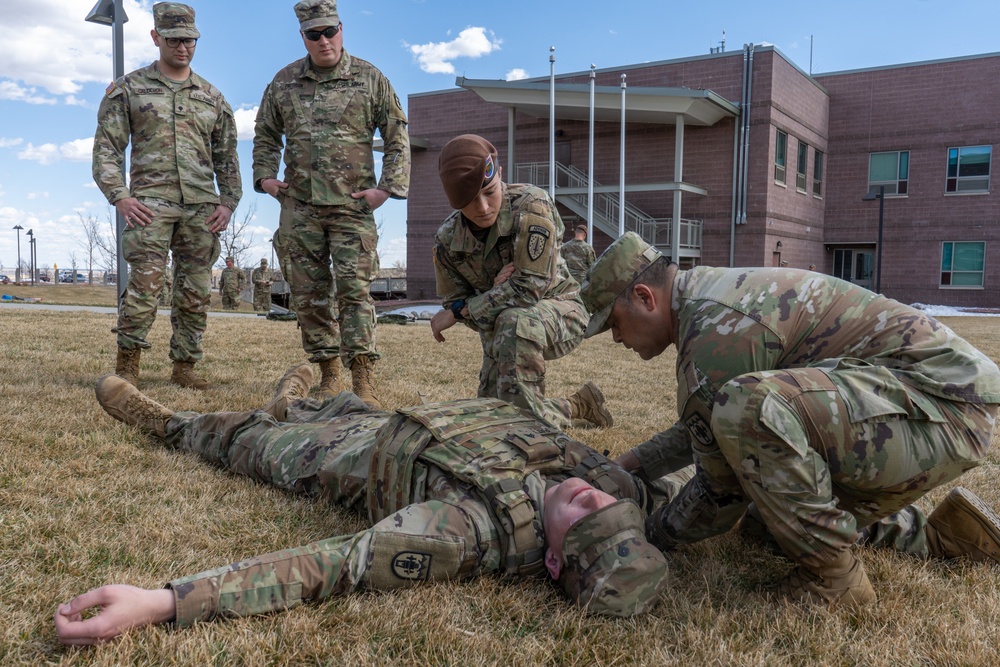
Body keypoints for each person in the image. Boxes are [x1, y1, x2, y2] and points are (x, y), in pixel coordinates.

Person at [54, 367, 682, 645]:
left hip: (354, 458)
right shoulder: (618, 489)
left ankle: (165, 421)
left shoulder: (470, 532)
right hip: (411, 423)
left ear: (550, 561)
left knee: (249, 442)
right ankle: (296, 394)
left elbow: (336, 564)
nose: (593, 496)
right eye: (610, 507)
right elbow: (685, 482)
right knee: (346, 402)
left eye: (585, 518)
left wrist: (163, 601)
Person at [581, 232, 1000, 607]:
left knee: (747, 409)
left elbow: (719, 496)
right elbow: (704, 421)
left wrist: (650, 533)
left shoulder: (715, 331)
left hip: (943, 406)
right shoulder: (706, 300)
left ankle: (834, 579)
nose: (617, 338)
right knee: (773, 517)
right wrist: (629, 465)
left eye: (614, 324)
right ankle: (947, 537)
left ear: (644, 297)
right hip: (929, 403)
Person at [252, 0, 409, 409]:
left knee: (355, 293)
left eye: (330, 31)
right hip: (299, 207)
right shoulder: (283, 82)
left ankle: (363, 379)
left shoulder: (370, 79)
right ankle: (328, 372)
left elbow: (397, 138)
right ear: (303, 36)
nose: (324, 41)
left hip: (352, 207)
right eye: (314, 34)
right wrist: (265, 178)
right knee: (308, 294)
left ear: (341, 28)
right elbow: (265, 134)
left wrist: (386, 189)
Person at [92, 2, 241, 391]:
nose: (183, 48)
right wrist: (120, 196)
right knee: (145, 287)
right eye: (174, 39)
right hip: (149, 206)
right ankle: (128, 366)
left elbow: (227, 156)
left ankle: (185, 367)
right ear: (156, 37)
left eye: (190, 40)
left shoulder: (212, 97)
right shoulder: (129, 89)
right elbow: (107, 149)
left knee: (194, 292)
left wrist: (228, 202)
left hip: (201, 209)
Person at [431, 134, 612, 431]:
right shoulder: (447, 240)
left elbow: (527, 290)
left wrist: (463, 310)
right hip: (501, 329)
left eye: (489, 192)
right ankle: (580, 405)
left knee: (515, 319)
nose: (483, 207)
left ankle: (531, 435)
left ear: (500, 174)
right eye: (468, 202)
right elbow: (455, 300)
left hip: (562, 310)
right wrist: (492, 293)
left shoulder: (531, 204)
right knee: (491, 414)